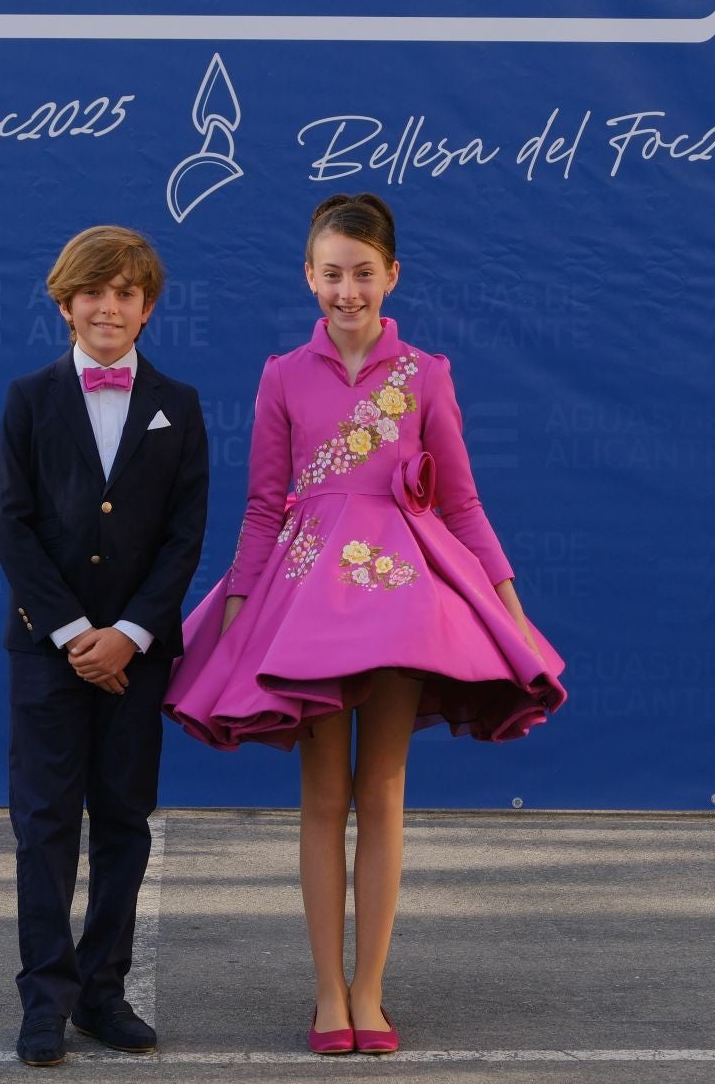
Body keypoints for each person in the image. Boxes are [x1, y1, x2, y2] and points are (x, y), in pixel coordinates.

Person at [164, 193, 567, 1055]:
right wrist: (238, 613)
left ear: (392, 276)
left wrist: (509, 606)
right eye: (332, 274)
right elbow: (264, 507)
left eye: (364, 274)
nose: (348, 291)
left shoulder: (427, 374)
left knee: (382, 792)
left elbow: (461, 503)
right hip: (308, 606)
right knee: (323, 797)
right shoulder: (281, 374)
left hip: (401, 605)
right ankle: (326, 995)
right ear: (309, 275)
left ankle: (370, 992)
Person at [0, 225, 209, 1067]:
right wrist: (80, 635)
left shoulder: (178, 405)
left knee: (123, 817)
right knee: (45, 822)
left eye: (125, 293)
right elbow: (11, 527)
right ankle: (44, 997)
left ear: (147, 307)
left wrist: (130, 634)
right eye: (93, 292)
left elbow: (183, 536)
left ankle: (103, 992)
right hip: (47, 652)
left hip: (140, 655)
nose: (108, 306)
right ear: (65, 302)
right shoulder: (28, 399)